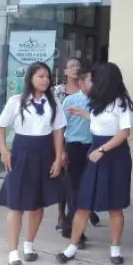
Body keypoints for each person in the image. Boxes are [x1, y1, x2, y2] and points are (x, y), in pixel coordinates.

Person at [57, 62, 133, 265]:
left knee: (115, 206)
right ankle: (72, 246)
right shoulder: (96, 102)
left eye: (95, 77)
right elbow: (97, 122)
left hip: (114, 154)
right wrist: (81, 113)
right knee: (83, 203)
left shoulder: (121, 103)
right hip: (96, 151)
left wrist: (102, 150)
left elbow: (124, 132)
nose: (91, 81)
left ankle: (115, 248)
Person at [0, 61, 66, 265]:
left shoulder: (54, 104)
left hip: (44, 153)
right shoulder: (16, 101)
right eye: (40, 76)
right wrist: (4, 150)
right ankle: (13, 252)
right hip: (21, 152)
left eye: (47, 76)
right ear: (30, 78)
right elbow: (0, 126)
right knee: (16, 205)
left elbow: (58, 132)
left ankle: (29, 245)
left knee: (37, 205)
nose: (45, 80)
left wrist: (57, 158)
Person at [59, 66, 96, 242]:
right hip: (74, 148)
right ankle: (74, 231)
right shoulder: (70, 101)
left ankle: (71, 226)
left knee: (87, 190)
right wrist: (61, 152)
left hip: (94, 149)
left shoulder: (99, 101)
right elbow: (60, 128)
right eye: (91, 80)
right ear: (81, 82)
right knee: (74, 190)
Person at [52, 57, 82, 230]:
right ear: (64, 71)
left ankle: (77, 213)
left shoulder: (86, 88)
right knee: (63, 179)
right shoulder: (58, 91)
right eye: (71, 66)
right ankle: (61, 214)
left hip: (80, 138)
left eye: (78, 66)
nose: (75, 69)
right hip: (61, 136)